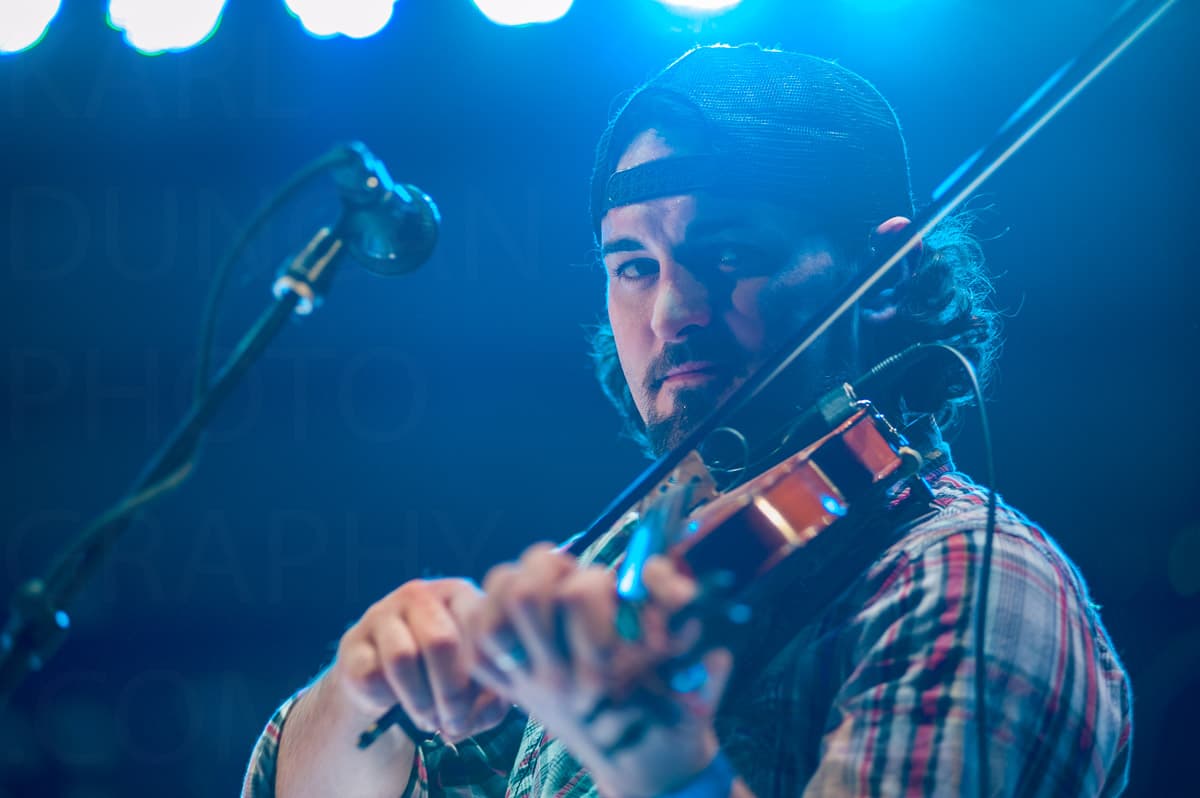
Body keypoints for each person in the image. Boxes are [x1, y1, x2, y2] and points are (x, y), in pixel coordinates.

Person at [243, 45, 1132, 798]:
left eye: (730, 253)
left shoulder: (971, 576)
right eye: (633, 266)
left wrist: (655, 759)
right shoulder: (616, 573)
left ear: (886, 272)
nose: (672, 310)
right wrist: (365, 691)